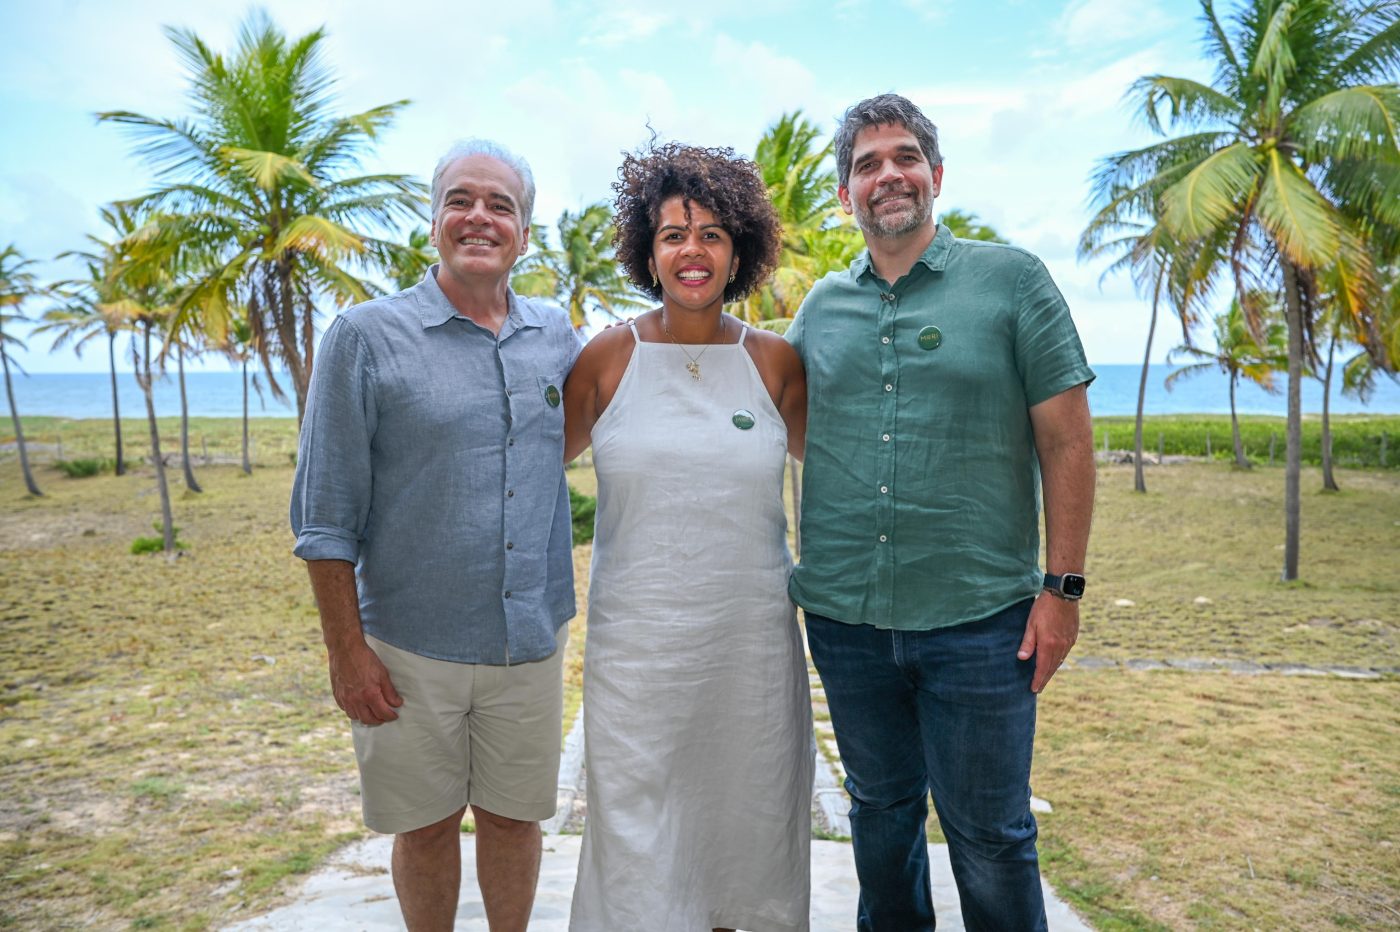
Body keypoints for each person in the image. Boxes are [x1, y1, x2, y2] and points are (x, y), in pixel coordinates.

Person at [785, 93, 1096, 931]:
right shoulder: (819, 308)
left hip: (982, 622)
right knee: (879, 821)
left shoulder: (1012, 280)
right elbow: (805, 431)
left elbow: (1067, 444)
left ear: (936, 174)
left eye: (903, 157)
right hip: (848, 623)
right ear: (846, 193)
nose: (887, 175)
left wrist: (1062, 590)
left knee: (991, 839)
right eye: (866, 164)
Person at [290, 138, 581, 932]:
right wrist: (347, 652)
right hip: (409, 648)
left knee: (516, 821)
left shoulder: (558, 338)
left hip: (529, 640)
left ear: (525, 229)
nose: (480, 218)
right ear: (434, 219)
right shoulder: (363, 337)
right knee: (422, 828)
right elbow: (323, 516)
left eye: (501, 205)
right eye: (461, 199)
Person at [562, 142, 813, 932]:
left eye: (710, 233)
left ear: (739, 249)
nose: (691, 251)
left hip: (751, 652)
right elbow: (525, 468)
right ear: (648, 249)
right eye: (673, 233)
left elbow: (846, 478)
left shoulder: (774, 363)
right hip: (638, 658)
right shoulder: (607, 358)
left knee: (748, 836)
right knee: (640, 845)